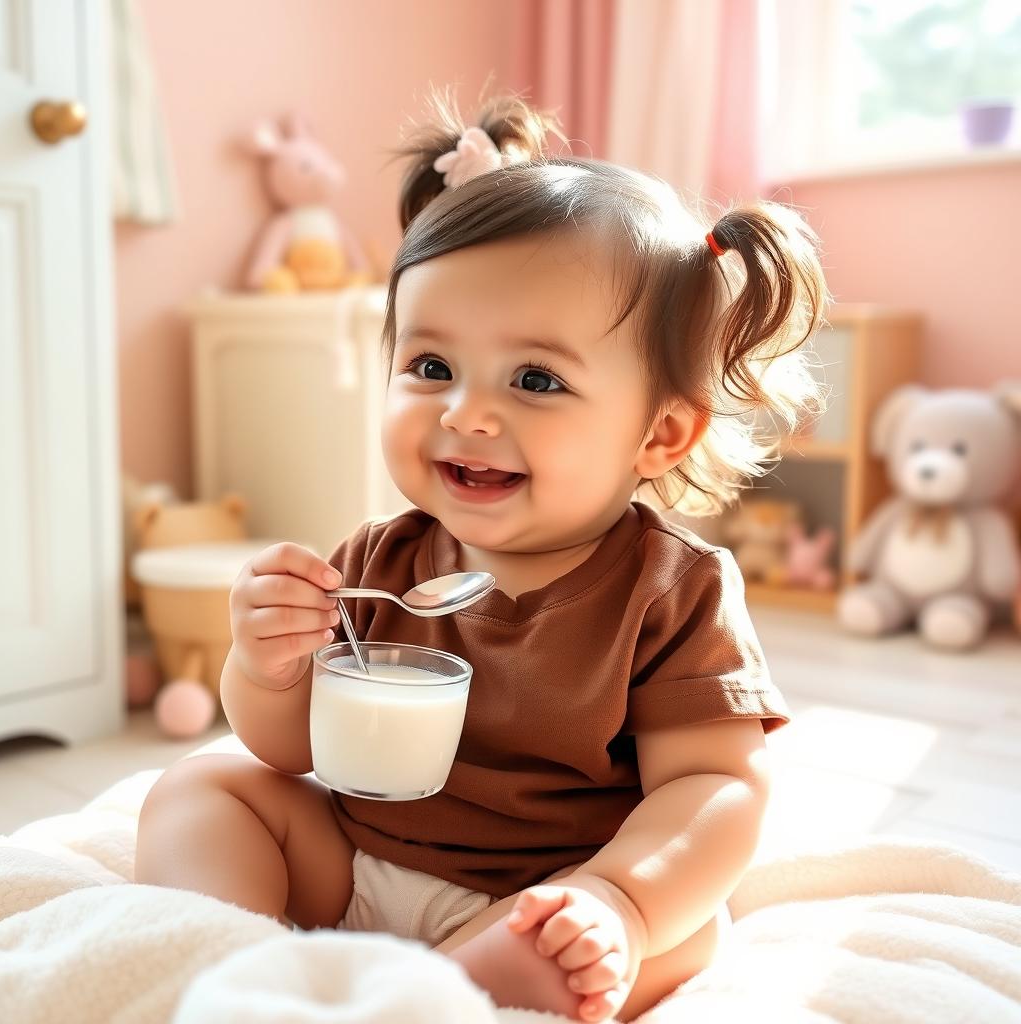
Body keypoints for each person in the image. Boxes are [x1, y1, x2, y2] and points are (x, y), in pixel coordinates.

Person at [135, 91, 827, 1022]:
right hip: (354, 866)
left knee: (676, 935)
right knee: (207, 784)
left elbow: (715, 787)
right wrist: (266, 662)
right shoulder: (379, 559)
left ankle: (423, 999)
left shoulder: (672, 592)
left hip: (540, 901)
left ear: (659, 434)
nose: (465, 413)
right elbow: (291, 747)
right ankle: (230, 972)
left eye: (536, 379)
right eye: (430, 367)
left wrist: (619, 903)